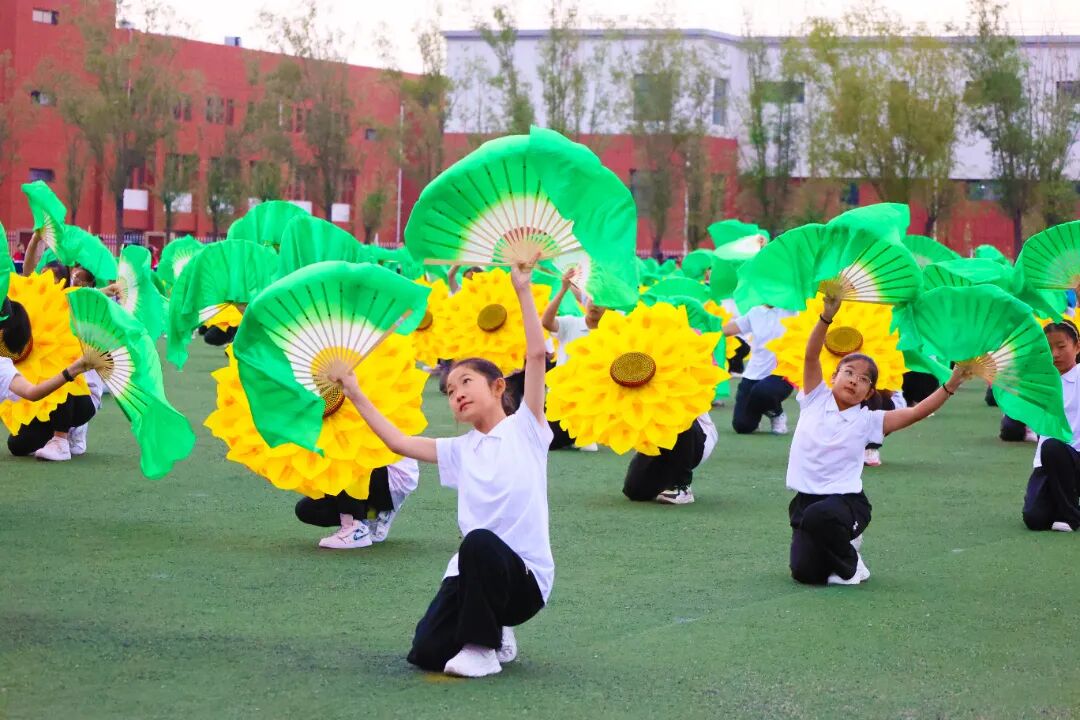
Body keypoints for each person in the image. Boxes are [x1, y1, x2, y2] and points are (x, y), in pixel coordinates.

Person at [331, 253, 551, 678]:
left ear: (499, 385)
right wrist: (354, 391)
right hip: (473, 574)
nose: (457, 395)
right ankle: (492, 632)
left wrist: (522, 288)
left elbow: (537, 354)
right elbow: (396, 441)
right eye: (450, 391)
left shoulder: (528, 427)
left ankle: (484, 649)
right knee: (427, 653)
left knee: (479, 540)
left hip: (524, 581)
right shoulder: (459, 449)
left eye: (466, 383)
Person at [786, 295, 971, 586]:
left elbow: (917, 411)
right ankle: (837, 548)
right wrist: (826, 316)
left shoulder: (868, 421)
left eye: (862, 380)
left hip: (845, 503)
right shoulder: (814, 398)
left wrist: (952, 383)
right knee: (805, 574)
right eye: (848, 373)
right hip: (805, 501)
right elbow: (810, 355)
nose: (853, 380)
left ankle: (852, 565)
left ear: (870, 392)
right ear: (833, 376)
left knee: (821, 518)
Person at [0, 299, 94, 461]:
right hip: (39, 409)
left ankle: (61, 439)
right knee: (18, 445)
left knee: (56, 375)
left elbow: (32, 392)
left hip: (77, 403)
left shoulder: (3, 364)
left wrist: (73, 370)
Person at [1022, 320, 1080, 532]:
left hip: (1075, 458)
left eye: (1062, 346)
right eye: (1048, 348)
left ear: (1077, 347)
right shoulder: (1039, 383)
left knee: (1053, 446)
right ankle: (1067, 504)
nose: (1055, 353)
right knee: (1034, 518)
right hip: (1051, 461)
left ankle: (1072, 517)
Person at [539, 266, 604, 451]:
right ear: (585, 302)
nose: (595, 305)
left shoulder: (612, 333)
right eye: (592, 300)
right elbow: (546, 322)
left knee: (588, 447)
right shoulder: (571, 323)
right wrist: (563, 289)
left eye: (601, 302)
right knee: (548, 443)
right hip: (562, 400)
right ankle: (572, 435)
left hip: (592, 403)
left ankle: (583, 432)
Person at [294, 458, 420, 548]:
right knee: (306, 509)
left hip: (391, 476)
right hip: (372, 473)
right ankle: (374, 513)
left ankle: (353, 527)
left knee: (342, 458)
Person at [722, 305, 796, 434]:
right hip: (753, 374)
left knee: (762, 391)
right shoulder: (755, 311)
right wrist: (702, 331)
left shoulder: (793, 309)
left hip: (782, 373)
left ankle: (776, 413)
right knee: (742, 426)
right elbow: (730, 329)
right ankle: (760, 409)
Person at [621, 411, 717, 505]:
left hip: (696, 435)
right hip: (658, 438)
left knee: (677, 414)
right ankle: (668, 478)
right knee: (635, 491)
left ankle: (682, 486)